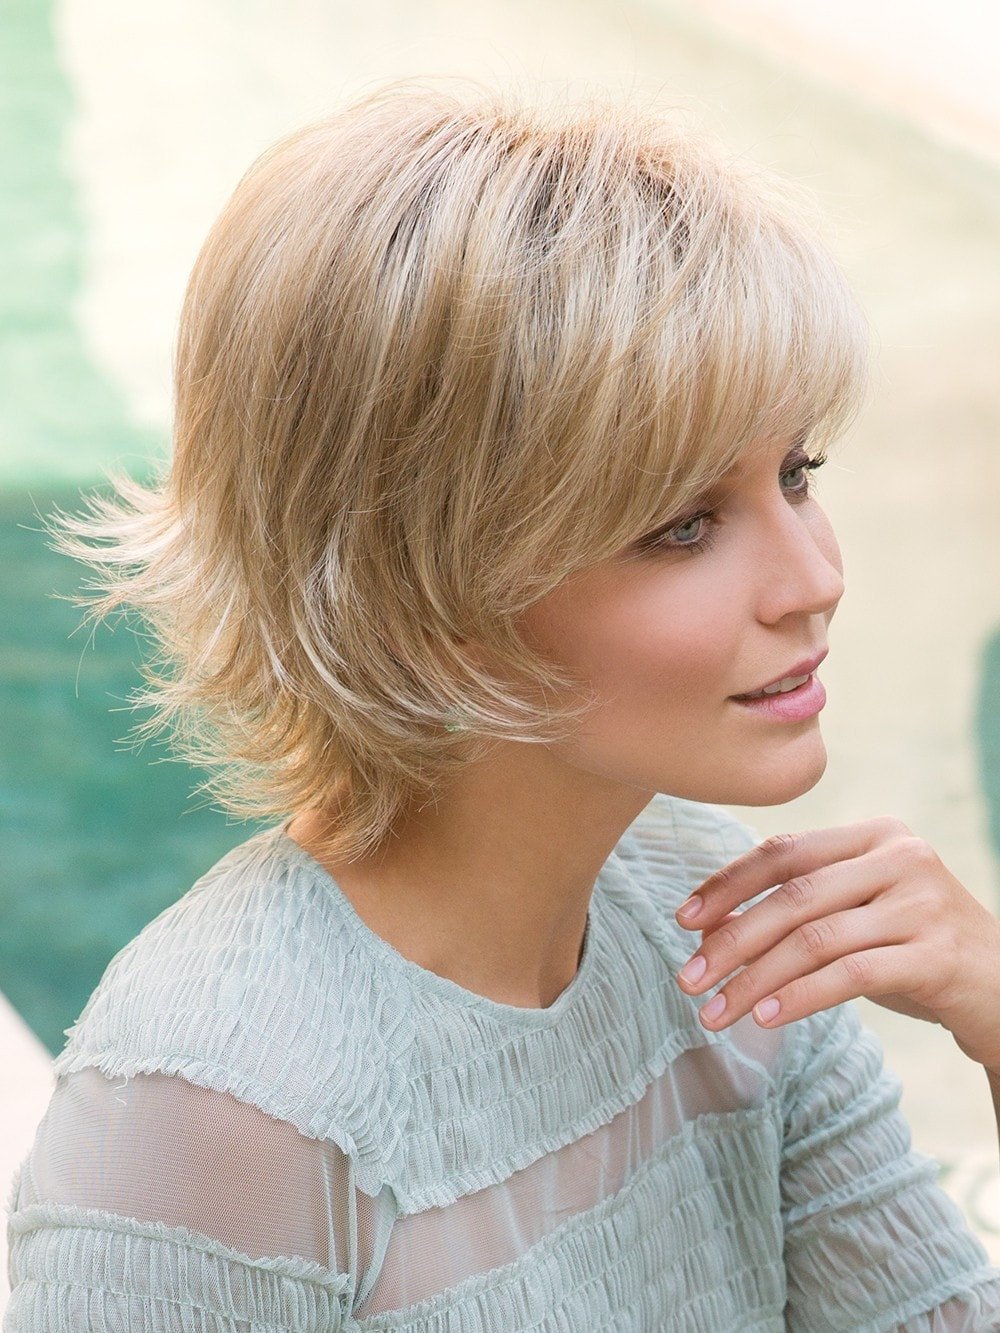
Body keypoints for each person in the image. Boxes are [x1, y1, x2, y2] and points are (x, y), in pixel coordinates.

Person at [6, 79, 1000, 1331]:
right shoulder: (213, 1111)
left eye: (796, 473)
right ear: (421, 587)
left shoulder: (710, 923)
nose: (814, 578)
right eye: (682, 526)